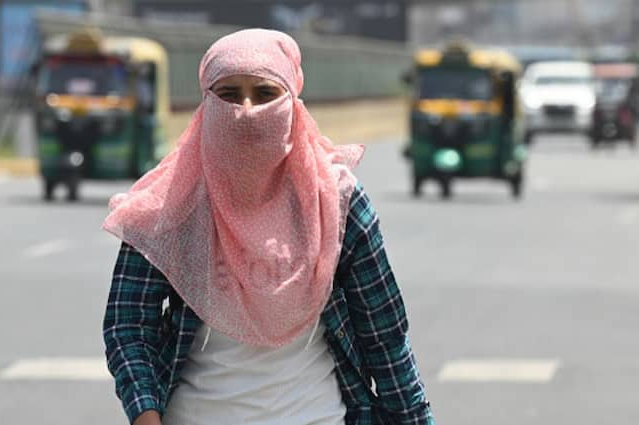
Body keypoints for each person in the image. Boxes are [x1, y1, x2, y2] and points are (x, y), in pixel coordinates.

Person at [102, 29, 434, 425]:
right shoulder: (171, 203)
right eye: (228, 94)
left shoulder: (336, 202)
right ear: (205, 102)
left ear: (292, 101)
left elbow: (385, 339)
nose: (246, 110)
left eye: (264, 94)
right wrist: (145, 414)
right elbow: (128, 324)